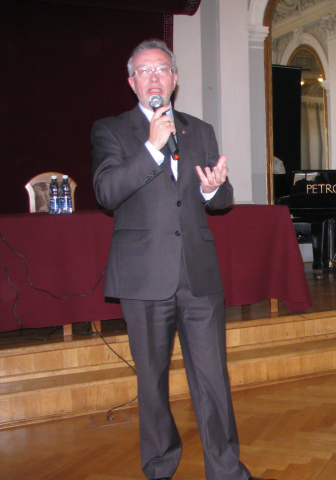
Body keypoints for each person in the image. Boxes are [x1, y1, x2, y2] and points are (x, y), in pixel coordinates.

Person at [91, 39, 270, 480]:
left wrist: (213, 189)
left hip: (198, 275)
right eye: (144, 71)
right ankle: (159, 467)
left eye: (162, 70)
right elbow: (107, 192)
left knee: (212, 380)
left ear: (174, 79)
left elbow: (221, 198)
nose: (154, 77)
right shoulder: (111, 130)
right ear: (132, 82)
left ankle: (226, 470)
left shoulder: (199, 131)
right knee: (152, 382)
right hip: (144, 276)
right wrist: (152, 148)